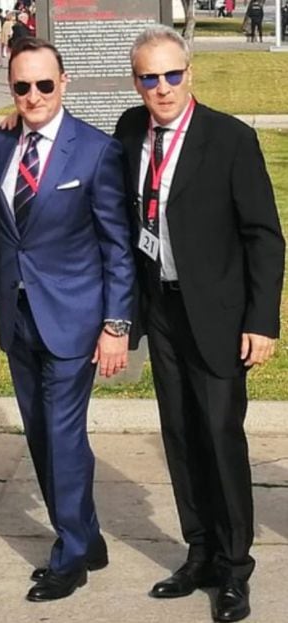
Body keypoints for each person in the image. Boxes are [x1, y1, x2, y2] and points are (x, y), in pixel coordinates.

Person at [114, 25, 284, 623]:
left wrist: (262, 322)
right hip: (159, 306)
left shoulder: (229, 139)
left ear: (191, 73)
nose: (161, 88)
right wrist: (17, 122)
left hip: (216, 313)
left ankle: (236, 569)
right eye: (148, 77)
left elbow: (264, 237)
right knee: (180, 435)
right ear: (135, 81)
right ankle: (200, 553)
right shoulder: (131, 129)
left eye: (171, 75)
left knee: (219, 435)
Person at [0, 37, 135, 602]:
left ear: (63, 83)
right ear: (11, 89)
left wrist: (116, 325)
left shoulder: (95, 151)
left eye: (45, 84)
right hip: (17, 318)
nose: (34, 95)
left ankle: (69, 555)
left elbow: (117, 247)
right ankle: (87, 535)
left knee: (64, 435)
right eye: (22, 86)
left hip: (75, 319)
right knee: (41, 435)